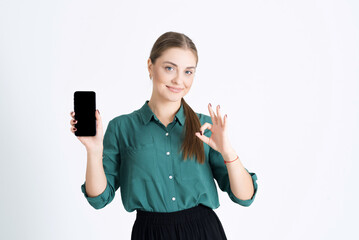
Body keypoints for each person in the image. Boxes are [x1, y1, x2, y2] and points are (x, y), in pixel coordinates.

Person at [70, 31, 258, 240]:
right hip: (150, 233)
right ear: (150, 66)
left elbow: (245, 197)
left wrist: (227, 151)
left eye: (188, 72)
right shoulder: (122, 128)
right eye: (169, 68)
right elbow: (99, 199)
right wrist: (94, 151)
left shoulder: (206, 126)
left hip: (204, 232)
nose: (179, 80)